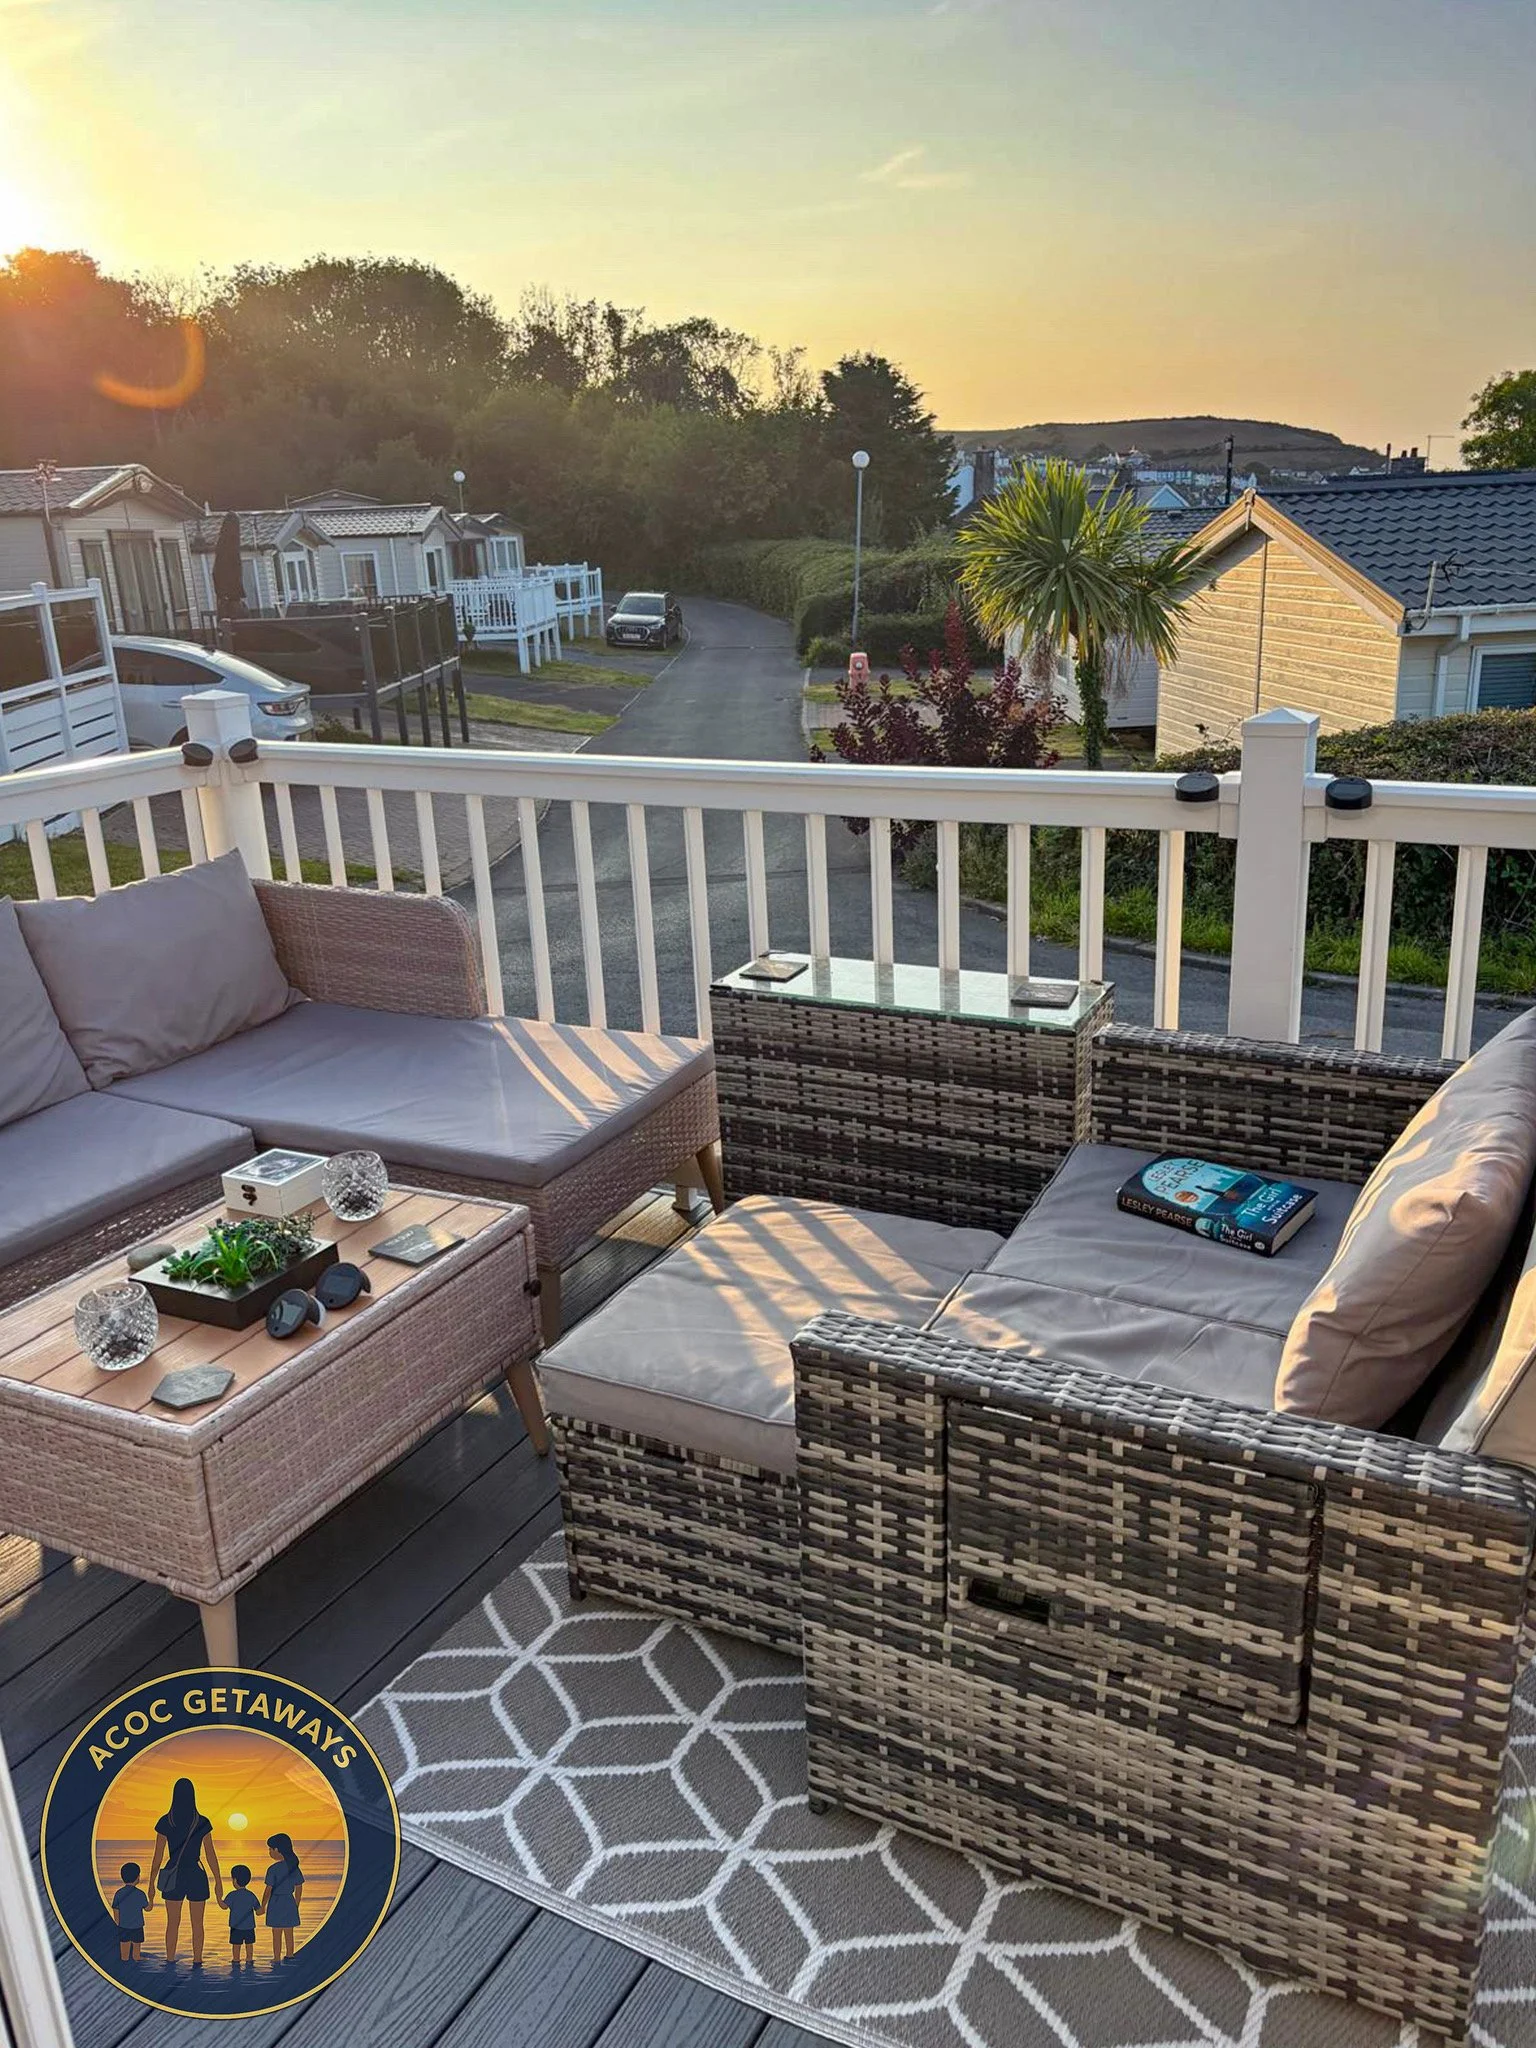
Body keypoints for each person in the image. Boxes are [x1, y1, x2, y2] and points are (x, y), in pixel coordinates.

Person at [144, 1777, 223, 1968]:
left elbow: (157, 1857)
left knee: (172, 1923)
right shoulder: (202, 1821)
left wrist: (151, 1884)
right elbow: (211, 1854)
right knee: (198, 1924)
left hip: (174, 1874)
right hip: (196, 1874)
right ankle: (197, 1961)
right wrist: (218, 1881)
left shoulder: (166, 1821)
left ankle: (170, 1960)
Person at [261, 1834, 303, 1963]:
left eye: (270, 1849)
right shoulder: (293, 1867)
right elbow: (299, 1887)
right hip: (289, 1901)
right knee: (289, 1931)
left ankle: (276, 1957)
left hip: (276, 1902)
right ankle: (290, 1954)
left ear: (277, 1850)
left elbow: (268, 1890)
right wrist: (296, 1903)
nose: (269, 1852)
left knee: (277, 1932)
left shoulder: (273, 1869)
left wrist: (263, 1905)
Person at [111, 1862, 149, 1962]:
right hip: (137, 1926)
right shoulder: (140, 1894)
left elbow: (115, 1909)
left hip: (123, 1925)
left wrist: (118, 1922)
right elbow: (147, 1908)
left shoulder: (119, 1893)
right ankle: (137, 1957)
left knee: (124, 1948)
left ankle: (124, 1959)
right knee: (137, 1948)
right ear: (138, 1877)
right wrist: (152, 1900)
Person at [223, 1864, 259, 1965]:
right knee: (249, 1945)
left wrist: (218, 1898)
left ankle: (236, 1960)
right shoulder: (251, 1895)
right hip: (249, 1926)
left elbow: (224, 1906)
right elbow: (258, 1909)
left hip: (236, 1926)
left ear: (234, 1880)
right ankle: (249, 1960)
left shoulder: (232, 1895)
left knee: (236, 1945)